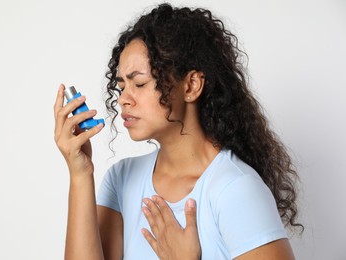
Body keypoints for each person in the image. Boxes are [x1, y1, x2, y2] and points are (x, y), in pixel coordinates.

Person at [54, 3, 303, 260]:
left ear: (191, 85)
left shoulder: (235, 189)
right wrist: (80, 174)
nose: (124, 99)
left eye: (139, 83)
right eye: (121, 87)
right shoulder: (121, 179)